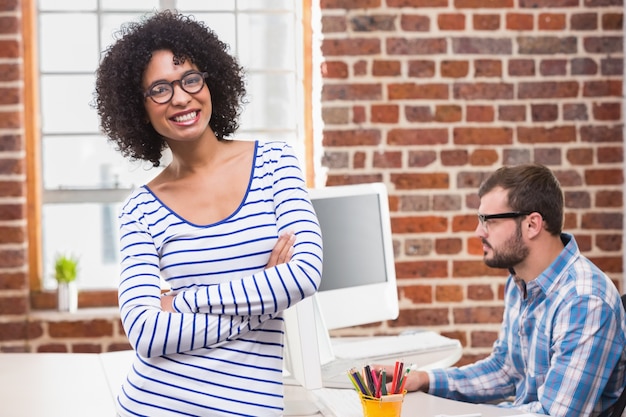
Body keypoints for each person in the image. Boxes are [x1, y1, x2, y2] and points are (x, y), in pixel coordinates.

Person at [94, 10, 323, 417]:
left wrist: (182, 302)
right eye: (160, 89)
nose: (181, 97)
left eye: (190, 79)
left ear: (211, 80)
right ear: (138, 108)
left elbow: (305, 273)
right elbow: (146, 332)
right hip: (153, 405)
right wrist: (268, 290)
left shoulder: (275, 164)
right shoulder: (140, 210)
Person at [385, 164, 626, 417]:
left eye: (489, 220)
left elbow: (553, 415)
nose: (478, 231)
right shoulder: (520, 281)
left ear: (532, 225)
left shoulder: (584, 301)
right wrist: (424, 380)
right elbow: (506, 369)